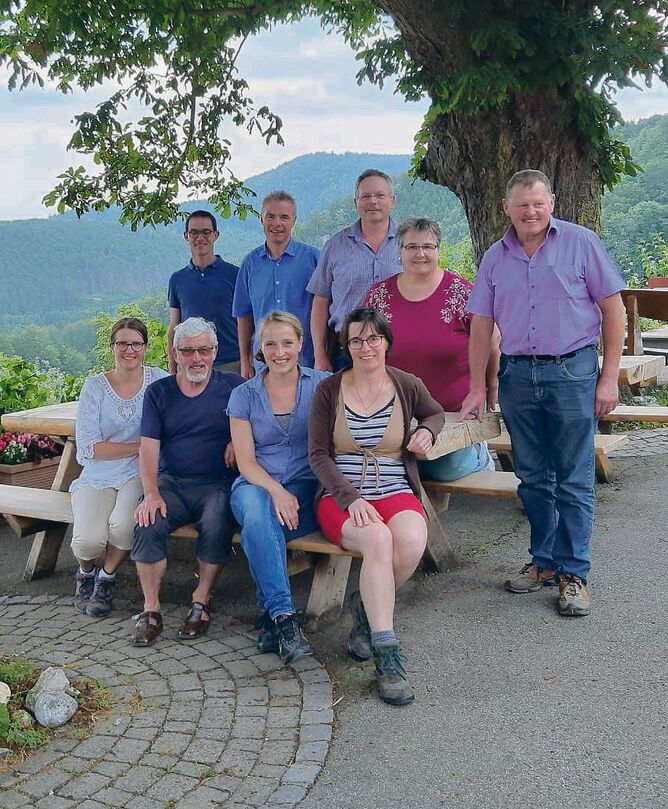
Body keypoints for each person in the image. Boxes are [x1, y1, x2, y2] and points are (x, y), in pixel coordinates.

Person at [460, 169, 625, 618]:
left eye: (538, 203)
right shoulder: (495, 257)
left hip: (572, 371)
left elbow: (613, 310)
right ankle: (544, 561)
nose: (530, 212)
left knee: (573, 477)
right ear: (506, 208)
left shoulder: (581, 243)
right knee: (532, 478)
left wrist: (609, 377)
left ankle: (574, 574)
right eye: (521, 205)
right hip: (516, 375)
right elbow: (481, 324)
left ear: (551, 202)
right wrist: (477, 385)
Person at [309, 307, 445, 705]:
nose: (365, 347)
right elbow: (318, 455)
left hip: (395, 489)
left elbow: (435, 413)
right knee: (378, 541)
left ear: (386, 342)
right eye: (356, 340)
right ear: (346, 346)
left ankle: (364, 610)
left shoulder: (406, 384)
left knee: (412, 543)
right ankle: (387, 657)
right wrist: (350, 499)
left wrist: (426, 431)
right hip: (341, 498)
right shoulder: (329, 390)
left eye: (373, 338)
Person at [131, 317, 243, 647]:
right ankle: (151, 609)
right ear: (175, 354)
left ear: (215, 351)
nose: (197, 358)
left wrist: (238, 439)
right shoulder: (159, 393)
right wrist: (150, 494)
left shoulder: (234, 387)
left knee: (217, 520)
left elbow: (261, 419)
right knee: (148, 521)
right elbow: (148, 449)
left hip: (217, 483)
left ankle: (201, 600)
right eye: (188, 351)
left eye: (204, 350)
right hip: (172, 483)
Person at [227, 312, 329, 663]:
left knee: (258, 532)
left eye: (287, 343)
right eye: (270, 344)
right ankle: (286, 616)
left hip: (305, 489)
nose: (279, 352)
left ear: (300, 343)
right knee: (257, 515)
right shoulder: (244, 395)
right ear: (260, 347)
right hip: (255, 484)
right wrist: (276, 490)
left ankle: (272, 621)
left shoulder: (323, 385)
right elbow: (246, 462)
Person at [364, 216, 500, 480]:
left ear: (438, 250)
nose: (420, 254)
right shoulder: (378, 296)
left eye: (428, 246)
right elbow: (364, 349)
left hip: (455, 412)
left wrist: (489, 386)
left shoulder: (462, 293)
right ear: (400, 251)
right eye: (412, 247)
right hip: (398, 413)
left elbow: (492, 342)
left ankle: (478, 454)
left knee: (442, 468)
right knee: (386, 466)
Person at [70, 318, 169, 617]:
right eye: (122, 343)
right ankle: (85, 572)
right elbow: (89, 448)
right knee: (88, 541)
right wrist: (143, 445)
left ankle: (106, 578)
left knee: (124, 526)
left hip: (139, 472)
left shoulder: (159, 380)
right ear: (112, 346)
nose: (130, 350)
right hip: (97, 473)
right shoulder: (94, 387)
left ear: (145, 347)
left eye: (136, 343)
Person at [307, 169, 402, 371]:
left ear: (392, 200)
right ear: (355, 202)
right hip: (346, 350)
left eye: (379, 195)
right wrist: (320, 354)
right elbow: (320, 300)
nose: (373, 201)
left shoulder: (408, 243)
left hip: (399, 348)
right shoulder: (335, 245)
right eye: (365, 196)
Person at [233, 191, 320, 377]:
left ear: (294, 221)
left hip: (307, 362)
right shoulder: (249, 264)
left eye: (284, 217)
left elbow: (325, 310)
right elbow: (243, 316)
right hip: (263, 364)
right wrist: (245, 362)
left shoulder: (314, 260)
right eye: (270, 216)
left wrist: (322, 355)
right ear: (261, 219)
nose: (277, 223)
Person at [167, 210, 240, 374]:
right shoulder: (177, 279)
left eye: (206, 232)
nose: (200, 238)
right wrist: (173, 369)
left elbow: (247, 322)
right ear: (186, 236)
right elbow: (174, 327)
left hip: (231, 364)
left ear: (215, 235)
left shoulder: (235, 274)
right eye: (194, 233)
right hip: (192, 362)